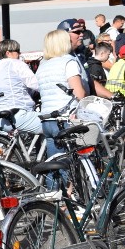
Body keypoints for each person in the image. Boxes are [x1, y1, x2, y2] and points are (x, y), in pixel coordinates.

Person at [37, 29, 87, 158]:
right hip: (65, 118)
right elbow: (79, 93)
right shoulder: (68, 62)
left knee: (55, 163)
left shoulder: (43, 65)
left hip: (47, 119)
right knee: (72, 161)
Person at [0, 39, 42, 134]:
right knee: (52, 125)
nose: (19, 54)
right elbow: (36, 84)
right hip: (17, 115)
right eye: (17, 51)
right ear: (8, 53)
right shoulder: (16, 64)